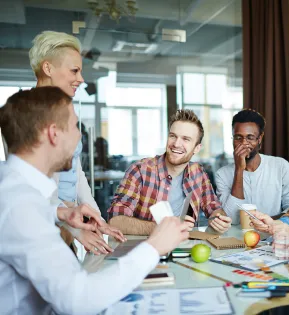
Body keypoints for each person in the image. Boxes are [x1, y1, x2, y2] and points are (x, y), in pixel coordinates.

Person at [0, 87, 190, 314]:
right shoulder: (21, 206)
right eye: (74, 126)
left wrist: (58, 213)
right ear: (53, 133)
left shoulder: (12, 186)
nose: (80, 136)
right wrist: (153, 247)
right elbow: (78, 299)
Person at [30, 30, 121, 254]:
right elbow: (34, 190)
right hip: (42, 234)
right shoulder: (25, 116)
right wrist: (76, 226)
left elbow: (76, 173)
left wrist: (97, 219)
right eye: (74, 70)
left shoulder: (63, 113)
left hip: (66, 230)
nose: (81, 79)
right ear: (48, 68)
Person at [108, 109, 232, 235]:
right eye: (173, 136)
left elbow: (214, 208)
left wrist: (219, 219)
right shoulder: (140, 170)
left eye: (186, 139)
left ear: (196, 148)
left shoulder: (198, 173)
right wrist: (163, 228)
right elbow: (115, 221)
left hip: (186, 249)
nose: (176, 144)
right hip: (148, 249)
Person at [215, 109, 289, 223]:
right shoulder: (222, 174)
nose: (244, 143)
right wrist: (239, 170)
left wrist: (265, 222)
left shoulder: (280, 166)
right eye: (238, 137)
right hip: (236, 239)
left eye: (250, 137)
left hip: (273, 235)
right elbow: (230, 218)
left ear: (259, 139)